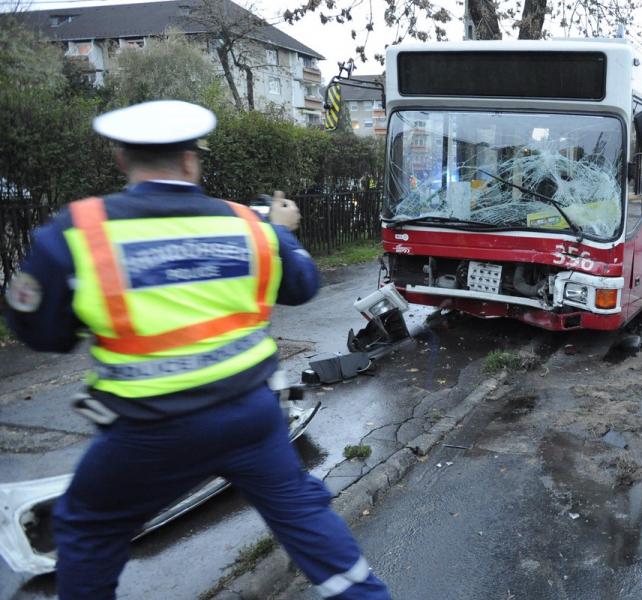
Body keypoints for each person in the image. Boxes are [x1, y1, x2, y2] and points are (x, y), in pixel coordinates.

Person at [2, 100, 391, 600]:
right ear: (191, 162)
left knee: (88, 528)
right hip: (251, 418)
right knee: (300, 512)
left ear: (122, 161)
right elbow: (302, 286)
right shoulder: (248, 227)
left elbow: (42, 335)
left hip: (147, 429)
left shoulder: (79, 231)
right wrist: (284, 232)